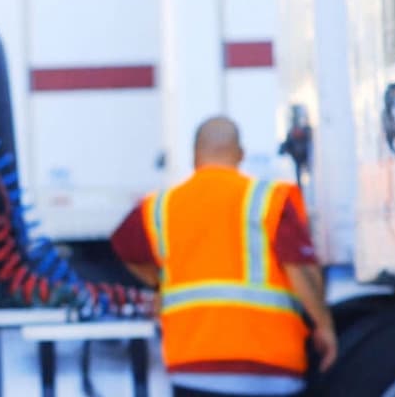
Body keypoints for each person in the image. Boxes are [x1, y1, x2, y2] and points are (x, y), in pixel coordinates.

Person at [109, 116, 336, 397]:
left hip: (192, 367)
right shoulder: (269, 199)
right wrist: (324, 325)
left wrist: (161, 284)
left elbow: (123, 247)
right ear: (240, 154)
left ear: (195, 156)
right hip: (267, 367)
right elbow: (300, 270)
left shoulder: (161, 205)